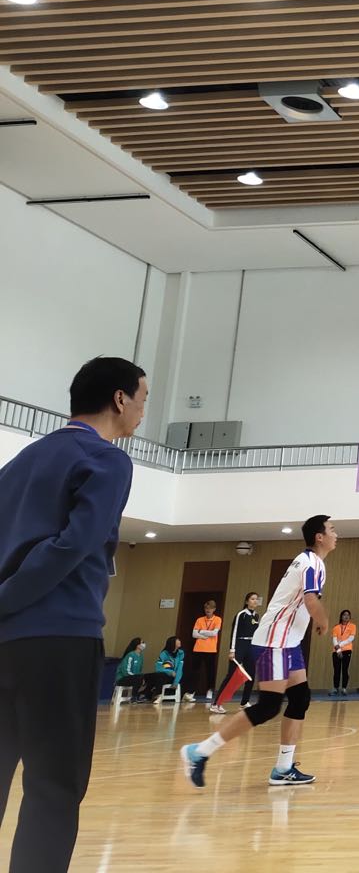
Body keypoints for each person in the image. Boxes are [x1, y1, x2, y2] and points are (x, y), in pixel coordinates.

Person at [0, 356, 146, 873]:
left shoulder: (19, 464)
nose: (143, 411)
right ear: (119, 399)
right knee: (53, 786)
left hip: (4, 642)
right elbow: (72, 546)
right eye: (143, 399)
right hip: (60, 638)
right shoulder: (107, 460)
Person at [182, 514, 340, 788]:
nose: (336, 534)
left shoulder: (310, 561)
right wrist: (324, 622)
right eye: (332, 529)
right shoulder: (311, 563)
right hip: (274, 642)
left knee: (300, 699)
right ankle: (199, 752)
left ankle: (283, 768)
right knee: (268, 706)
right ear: (319, 536)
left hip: (288, 643)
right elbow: (310, 599)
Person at [213, 590, 261, 713]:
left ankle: (244, 702)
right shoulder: (241, 614)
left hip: (251, 646)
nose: (255, 601)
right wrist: (232, 650)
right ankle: (216, 704)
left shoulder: (256, 616)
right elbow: (234, 632)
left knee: (251, 675)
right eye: (252, 599)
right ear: (247, 601)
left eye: (256, 599)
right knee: (231, 675)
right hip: (240, 645)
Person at [185, 599, 222, 705]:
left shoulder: (217, 619)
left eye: (210, 608)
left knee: (210, 671)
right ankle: (191, 691)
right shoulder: (200, 619)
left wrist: (201, 632)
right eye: (206, 608)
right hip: (198, 648)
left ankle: (209, 689)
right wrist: (205, 634)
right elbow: (194, 634)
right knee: (195, 671)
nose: (207, 610)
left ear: (214, 609)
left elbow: (214, 633)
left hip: (211, 649)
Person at [331, 609, 356, 696]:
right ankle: (335, 688)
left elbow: (350, 639)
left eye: (348, 615)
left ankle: (344, 688)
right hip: (336, 651)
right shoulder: (336, 627)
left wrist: (339, 645)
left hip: (347, 650)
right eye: (344, 615)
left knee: (345, 670)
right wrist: (338, 650)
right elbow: (334, 639)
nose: (346, 616)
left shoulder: (352, 626)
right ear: (341, 616)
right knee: (336, 670)